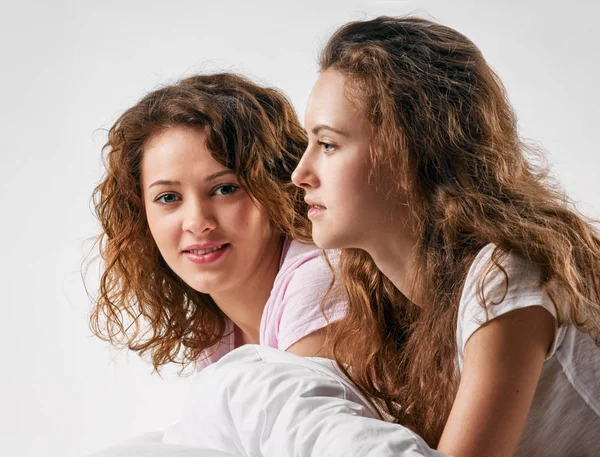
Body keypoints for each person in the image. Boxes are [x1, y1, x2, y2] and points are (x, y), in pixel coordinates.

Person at [292, 16, 600, 457]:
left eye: (328, 144)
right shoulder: (378, 291)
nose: (300, 174)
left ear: (408, 152)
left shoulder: (506, 278)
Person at [89, 72, 345, 375]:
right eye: (169, 198)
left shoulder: (321, 281)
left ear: (277, 188)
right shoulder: (219, 331)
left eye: (225, 189)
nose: (198, 222)